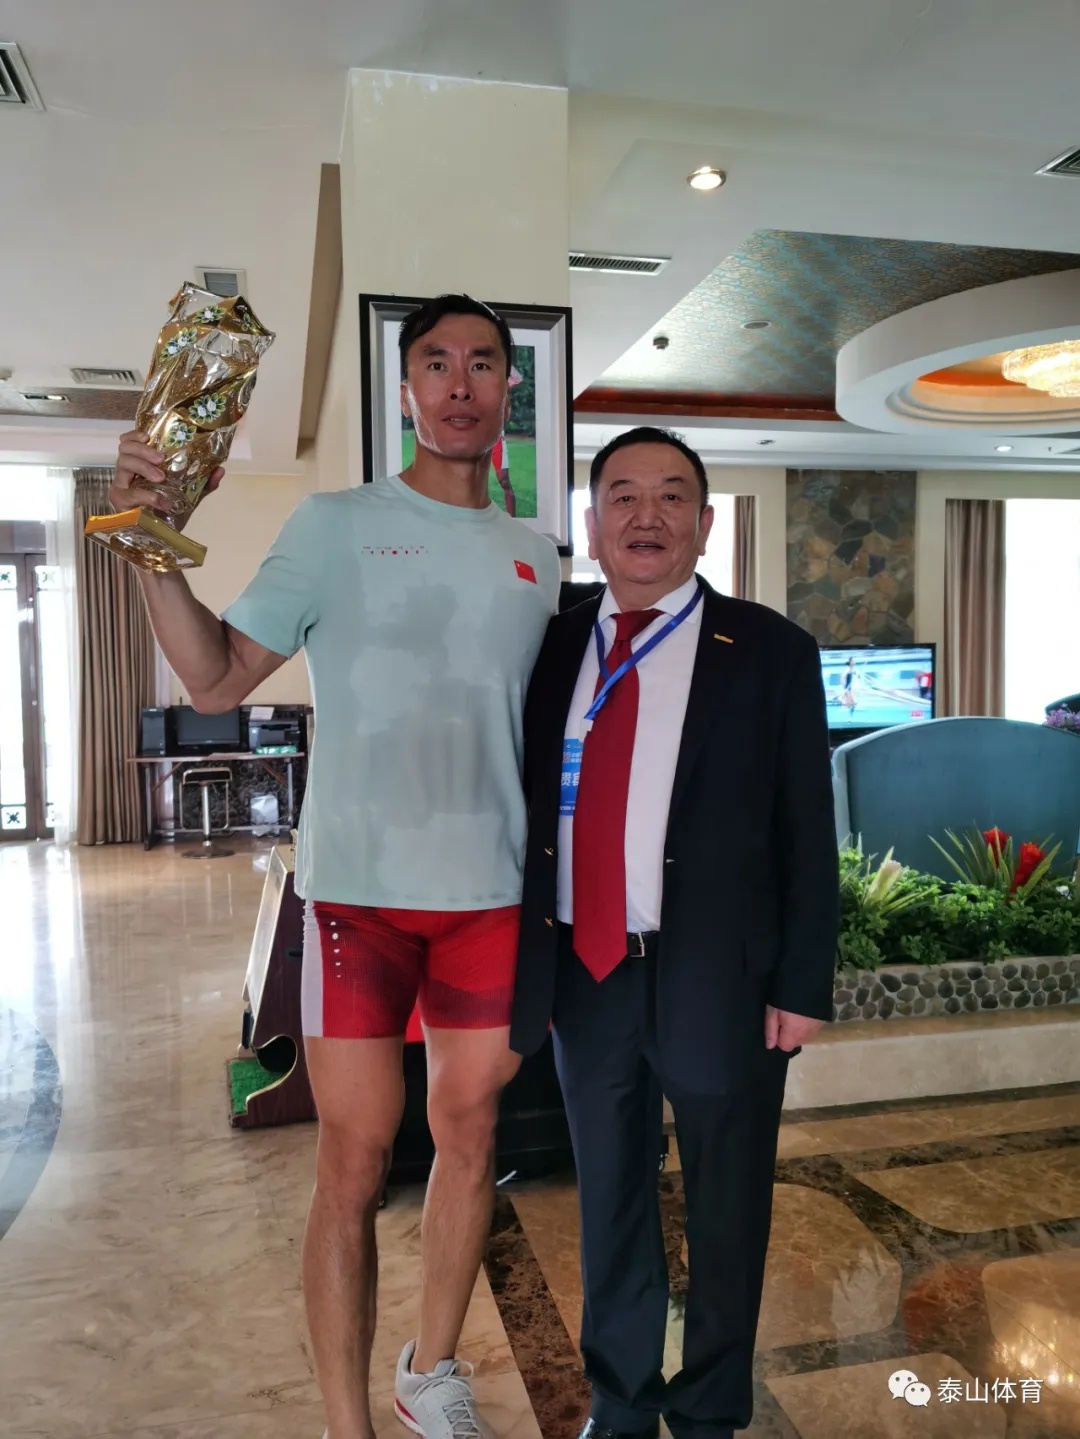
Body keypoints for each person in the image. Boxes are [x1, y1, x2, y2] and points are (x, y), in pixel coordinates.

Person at [109, 294, 561, 1439]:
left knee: (470, 1137)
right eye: (436, 362)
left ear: (509, 388)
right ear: (406, 391)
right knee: (353, 1160)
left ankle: (430, 1372)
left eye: (483, 362)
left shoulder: (536, 553)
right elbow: (215, 678)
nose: (460, 382)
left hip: (492, 897)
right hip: (359, 898)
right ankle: (344, 1422)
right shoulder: (333, 525)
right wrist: (149, 545)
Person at [510, 426, 839, 1439]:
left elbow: (807, 826)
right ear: (592, 523)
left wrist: (801, 983)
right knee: (608, 1196)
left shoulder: (770, 649)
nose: (645, 515)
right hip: (587, 972)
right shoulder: (553, 643)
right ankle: (619, 1396)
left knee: (727, 1202)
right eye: (622, 495)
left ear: (705, 523)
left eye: (670, 496)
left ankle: (707, 1406)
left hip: (720, 978)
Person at [491, 364, 523, 516]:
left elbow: (518, 377)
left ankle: (512, 519)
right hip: (473, 437)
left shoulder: (502, 380)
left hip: (496, 436)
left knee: (503, 479)